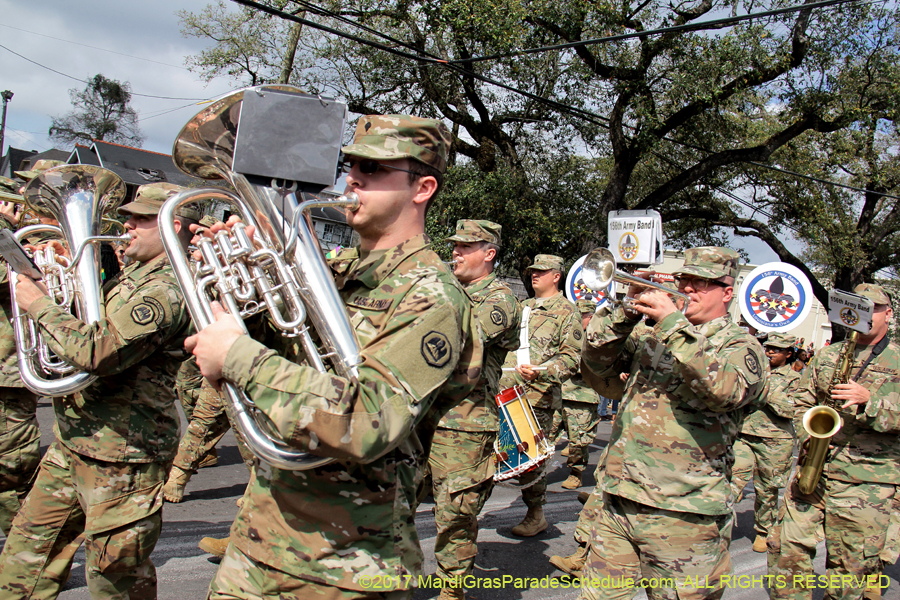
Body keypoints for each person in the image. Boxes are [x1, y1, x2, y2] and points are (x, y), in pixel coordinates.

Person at [187, 115, 482, 599]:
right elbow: (284, 352)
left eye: (374, 167)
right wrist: (232, 292)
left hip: (346, 568)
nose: (353, 178)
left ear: (422, 187)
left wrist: (237, 356)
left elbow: (367, 421)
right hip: (260, 540)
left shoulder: (433, 297)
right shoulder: (334, 271)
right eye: (350, 165)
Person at [0, 182, 198, 599]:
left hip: (124, 456)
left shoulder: (168, 289)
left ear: (172, 225)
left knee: (115, 580)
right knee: (23, 563)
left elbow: (98, 350)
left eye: (140, 219)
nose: (125, 226)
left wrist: (37, 303)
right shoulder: (133, 276)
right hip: (74, 442)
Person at [579, 246, 768, 600]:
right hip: (621, 501)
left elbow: (724, 391)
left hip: (685, 514)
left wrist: (672, 324)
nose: (690, 288)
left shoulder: (742, 346)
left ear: (728, 292)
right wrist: (626, 310)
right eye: (685, 279)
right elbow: (595, 361)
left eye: (703, 282)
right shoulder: (653, 337)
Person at [769, 283, 900, 600]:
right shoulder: (829, 356)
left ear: (889, 314)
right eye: (859, 307)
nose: (864, 314)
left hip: (867, 482)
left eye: (873, 308)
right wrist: (809, 433)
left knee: (848, 573)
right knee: (784, 551)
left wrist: (869, 403)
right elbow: (801, 403)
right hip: (815, 470)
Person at [422, 219, 521, 600]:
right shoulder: (450, 290)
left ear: (489, 254)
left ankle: (452, 590)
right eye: (455, 246)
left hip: (464, 423)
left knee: (454, 516)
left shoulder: (500, 299)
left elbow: (458, 336)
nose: (456, 253)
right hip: (423, 417)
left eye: (466, 247)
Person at [499, 254, 581, 537]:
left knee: (530, 462)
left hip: (537, 398)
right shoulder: (524, 307)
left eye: (541, 271)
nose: (534, 275)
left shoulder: (567, 312)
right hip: (505, 392)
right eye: (532, 271)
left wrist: (543, 371)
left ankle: (536, 514)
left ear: (556, 276)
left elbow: (572, 358)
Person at [731, 332, 799, 553]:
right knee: (731, 478)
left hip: (775, 441)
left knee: (767, 488)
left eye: (777, 349)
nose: (770, 352)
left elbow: (792, 409)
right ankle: (716, 526)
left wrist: (765, 388)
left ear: (789, 354)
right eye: (768, 347)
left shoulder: (796, 379)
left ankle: (763, 530)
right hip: (744, 434)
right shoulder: (754, 370)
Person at [554, 299, 602, 490]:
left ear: (590, 318)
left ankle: (576, 473)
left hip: (583, 396)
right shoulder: (568, 333)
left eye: (580, 317)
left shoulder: (598, 336)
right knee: (545, 435)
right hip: (559, 391)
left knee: (578, 440)